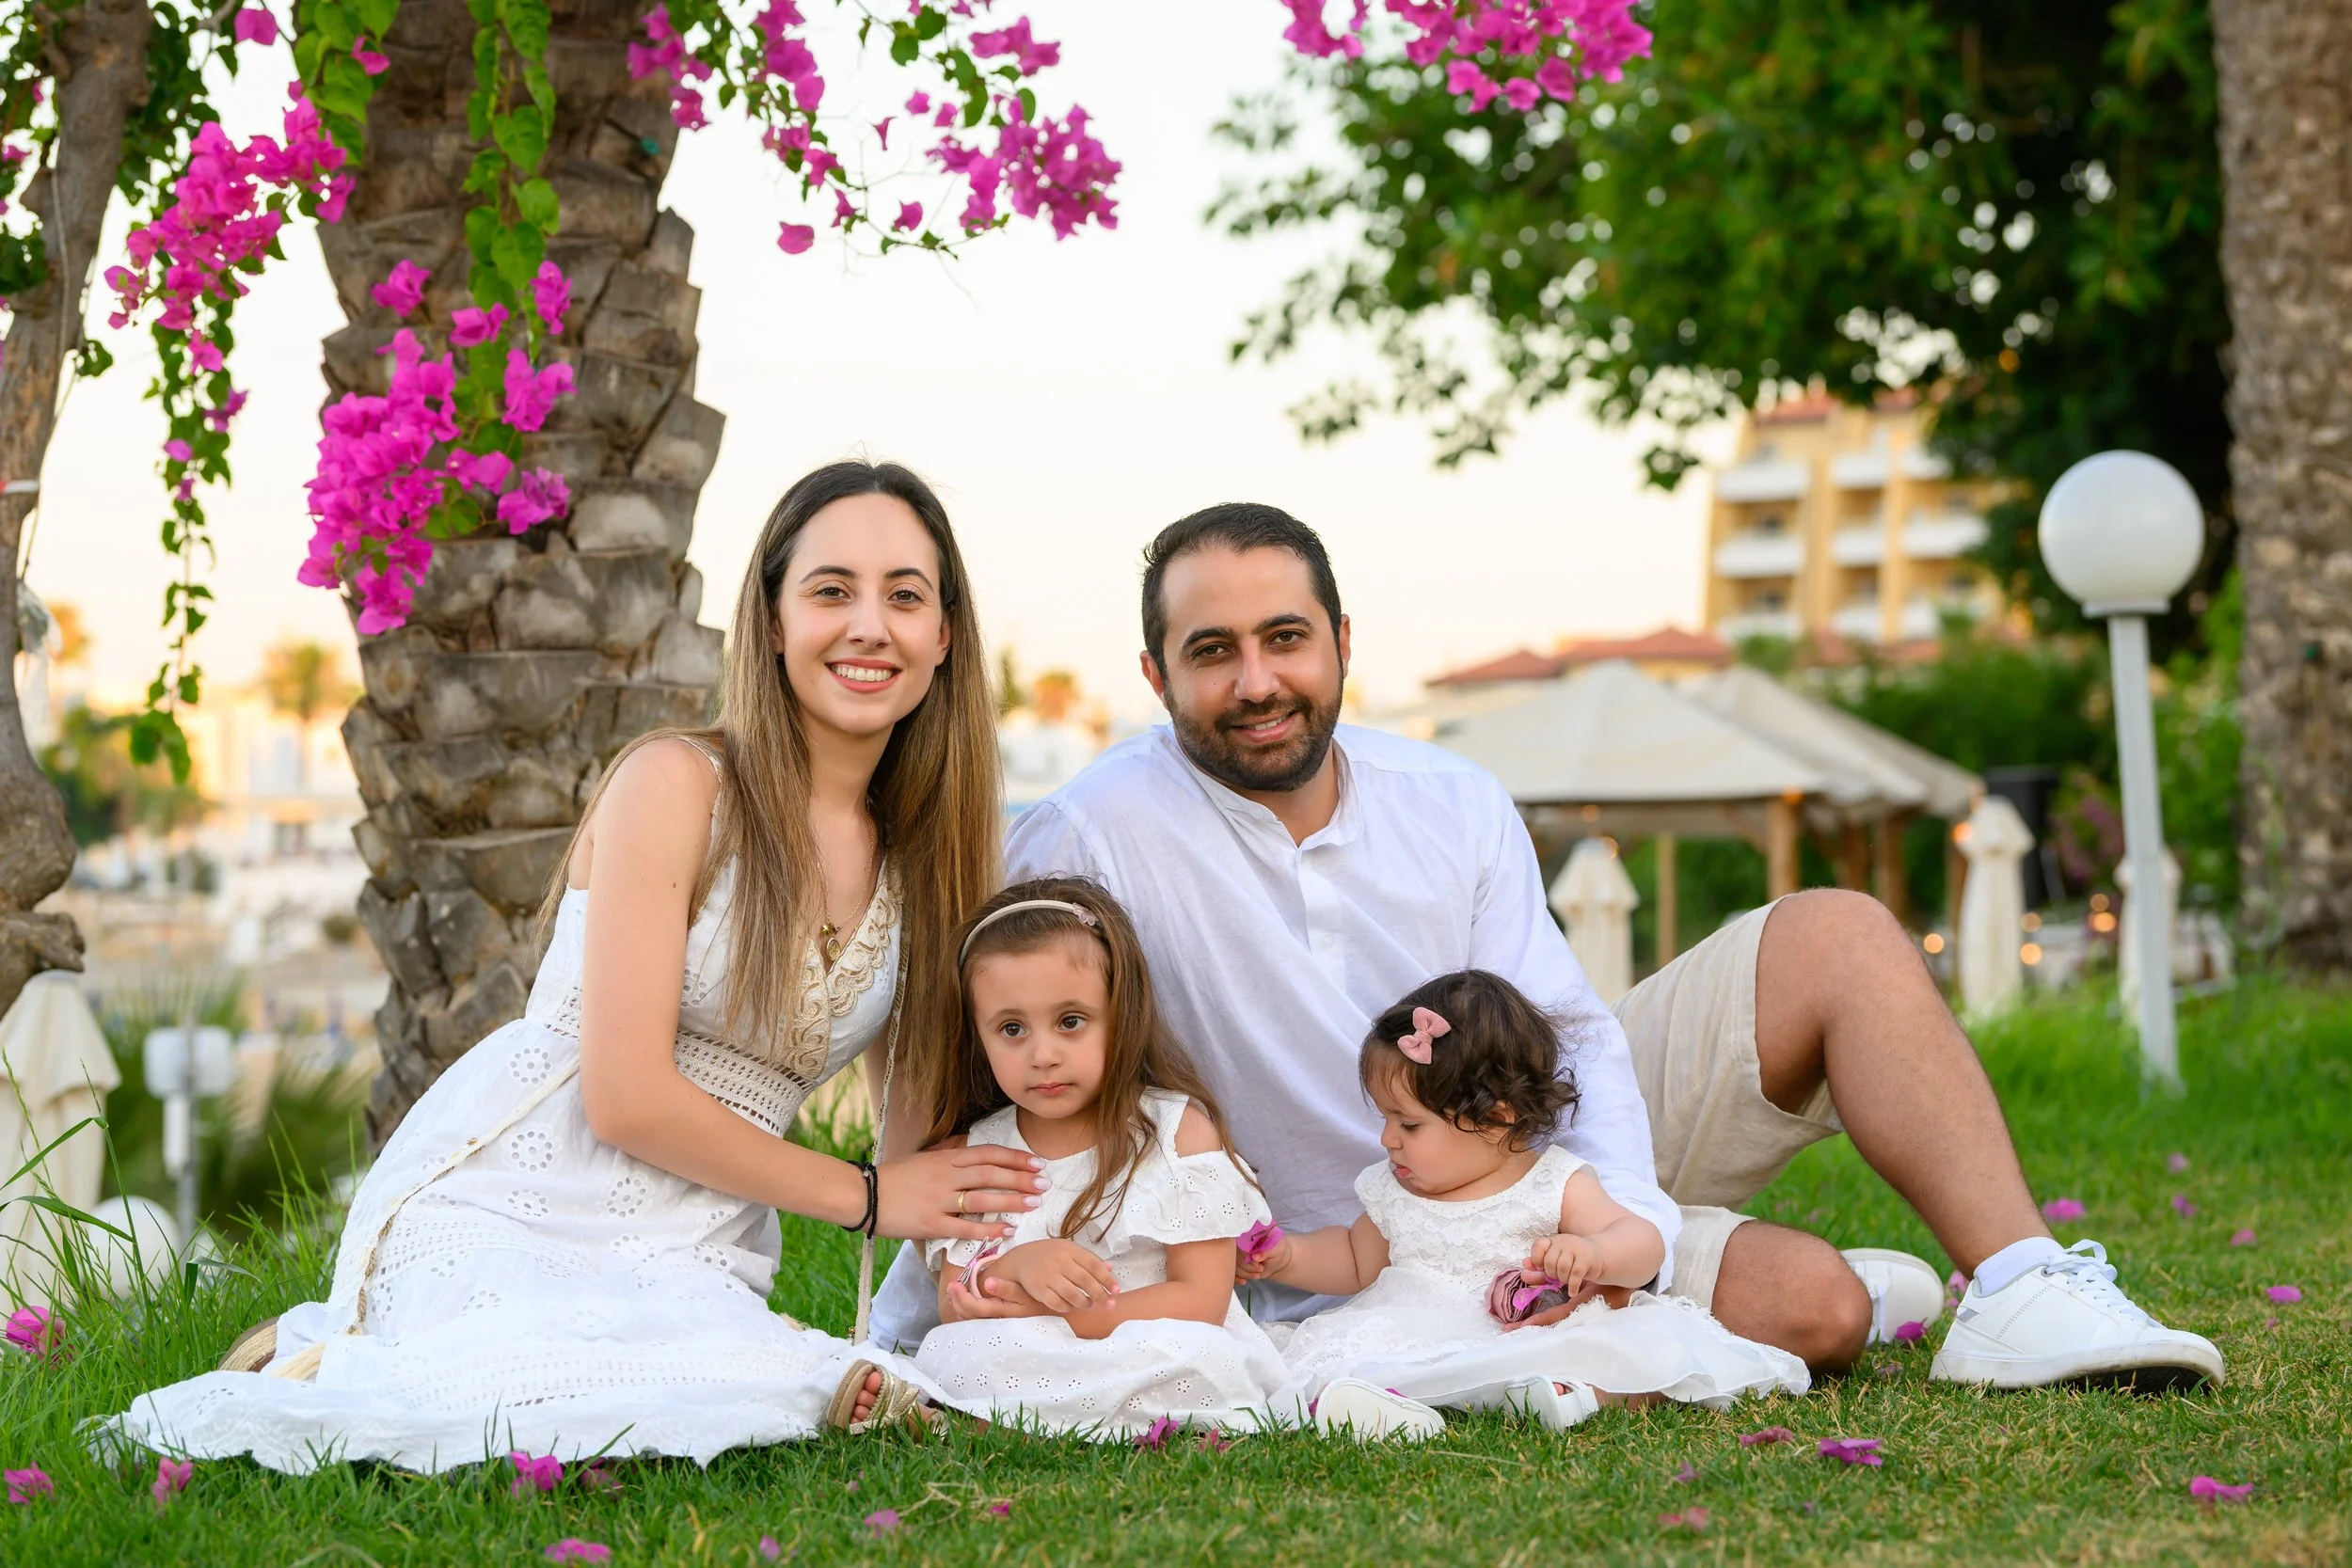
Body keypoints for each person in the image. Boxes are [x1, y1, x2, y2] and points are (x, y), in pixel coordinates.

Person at [875, 500, 2223, 1392]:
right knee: (1813, 1312)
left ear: (1343, 642)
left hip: (1540, 1174)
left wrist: (1618, 1233)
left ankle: (2021, 1284)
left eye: (1286, 637)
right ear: (1158, 673)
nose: (1257, 679)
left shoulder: (1450, 796)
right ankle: (1870, 1289)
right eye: (1211, 650)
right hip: (1356, 1258)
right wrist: (932, 1284)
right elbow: (989, 1037)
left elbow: (1571, 1031)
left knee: (1838, 931)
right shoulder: (1090, 832)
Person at [103, 461, 1054, 1472]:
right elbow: (627, 1097)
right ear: (773, 621)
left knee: (708, 1378)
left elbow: (915, 1151)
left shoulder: (926, 858)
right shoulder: (678, 782)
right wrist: (866, 1196)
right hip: (517, 1187)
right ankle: (337, 1344)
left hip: (695, 1243)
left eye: (904, 595)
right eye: (831, 590)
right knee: (551, 1389)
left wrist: (992, 1263)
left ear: (944, 635)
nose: (870, 625)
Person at [1246, 970, 1807, 1442]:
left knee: (1607, 1352)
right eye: (1387, 1120)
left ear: (1497, 1116)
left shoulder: (1553, 1182)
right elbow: (1352, 1258)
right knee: (1359, 1362)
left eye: (1409, 1124)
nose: (1388, 1140)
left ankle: (1563, 1397)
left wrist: (1593, 1251)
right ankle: (1395, 1405)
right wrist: (1288, 1256)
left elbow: (1642, 1244)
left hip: (1524, 1335)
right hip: (1412, 1325)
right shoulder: (1396, 1191)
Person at [913, 879, 1295, 1438]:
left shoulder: (1176, 1131)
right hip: (1033, 1341)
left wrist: (1075, 1318)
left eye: (1071, 1021)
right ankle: (1040, 1420)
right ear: (978, 1037)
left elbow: (1203, 1298)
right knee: (958, 1348)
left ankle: (1026, 1422)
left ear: (1122, 1013)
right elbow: (957, 1305)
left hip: (1153, 1332)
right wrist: (1016, 1266)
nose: (1043, 1055)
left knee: (1200, 1356)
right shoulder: (981, 1154)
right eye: (1011, 1029)